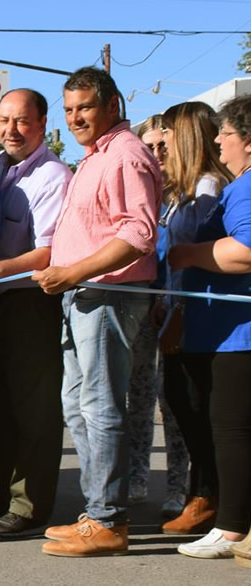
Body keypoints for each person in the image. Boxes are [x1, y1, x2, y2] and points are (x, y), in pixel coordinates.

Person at [34, 66, 161, 557]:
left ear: (112, 106)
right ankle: (97, 513)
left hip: (109, 295)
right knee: (80, 406)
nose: (75, 118)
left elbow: (140, 234)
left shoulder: (125, 155)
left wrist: (75, 272)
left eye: (84, 107)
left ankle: (108, 519)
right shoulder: (94, 157)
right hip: (83, 295)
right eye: (68, 110)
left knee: (102, 407)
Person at [0, 89, 70, 537]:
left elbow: (47, 252)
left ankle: (28, 506)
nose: (10, 130)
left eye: (21, 121)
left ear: (43, 124)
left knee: (35, 410)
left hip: (31, 301)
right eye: (4, 120)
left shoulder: (52, 176)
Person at [168, 95, 251, 559]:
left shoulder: (246, 187)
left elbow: (245, 251)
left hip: (239, 330)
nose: (218, 140)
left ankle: (232, 528)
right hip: (225, 329)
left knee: (231, 430)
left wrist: (188, 255)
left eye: (227, 133)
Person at [157, 102, 229, 537]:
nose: (161, 140)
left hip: (199, 317)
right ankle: (201, 492)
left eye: (167, 131)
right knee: (182, 401)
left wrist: (179, 313)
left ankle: (208, 496)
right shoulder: (182, 190)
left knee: (197, 406)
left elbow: (201, 258)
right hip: (176, 309)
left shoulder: (209, 189)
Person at [126, 114, 190, 518]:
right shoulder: (141, 191)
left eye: (162, 146)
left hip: (175, 308)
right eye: (148, 146)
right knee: (138, 395)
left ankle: (178, 485)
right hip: (139, 305)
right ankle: (135, 476)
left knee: (173, 400)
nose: (156, 154)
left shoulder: (186, 196)